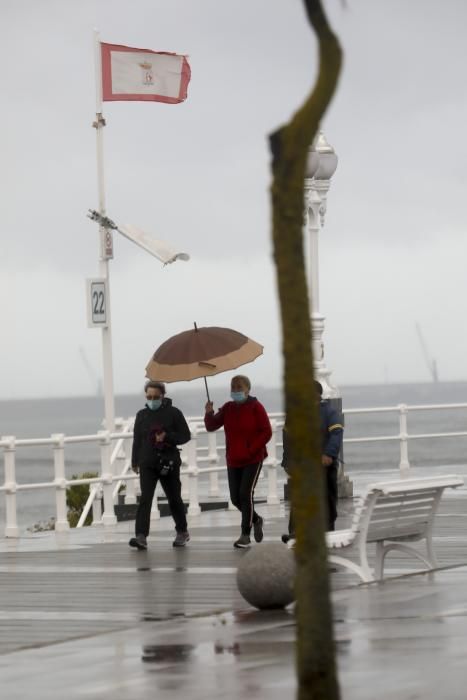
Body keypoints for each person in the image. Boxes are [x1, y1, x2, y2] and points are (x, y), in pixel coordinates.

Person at [204, 375, 272, 548]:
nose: (236, 391)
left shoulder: (256, 407)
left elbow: (266, 432)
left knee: (245, 493)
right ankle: (256, 520)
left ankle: (245, 534)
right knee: (235, 499)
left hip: (253, 458)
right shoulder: (228, 408)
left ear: (248, 389)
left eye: (239, 387)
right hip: (233, 459)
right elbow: (211, 426)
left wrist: (251, 449)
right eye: (233, 388)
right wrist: (209, 412)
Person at [129, 380, 191, 550]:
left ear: (163, 396)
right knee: (145, 499)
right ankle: (141, 536)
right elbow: (137, 440)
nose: (152, 399)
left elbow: (185, 436)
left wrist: (167, 437)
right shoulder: (141, 415)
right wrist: (134, 461)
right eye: (149, 396)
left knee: (174, 498)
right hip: (147, 463)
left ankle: (182, 531)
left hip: (168, 463)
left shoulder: (174, 413)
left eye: (156, 396)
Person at [281, 380, 344, 542]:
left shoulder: (329, 412)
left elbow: (336, 432)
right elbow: (288, 437)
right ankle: (295, 533)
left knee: (327, 500)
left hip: (324, 465)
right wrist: (287, 460)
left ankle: (328, 531)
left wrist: (329, 454)